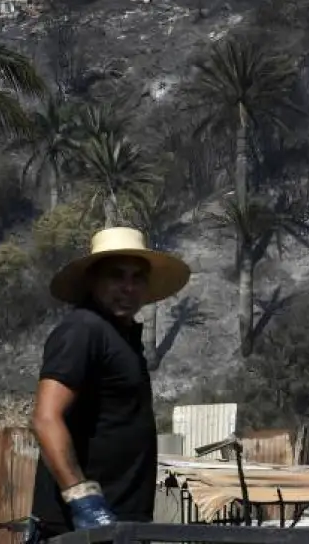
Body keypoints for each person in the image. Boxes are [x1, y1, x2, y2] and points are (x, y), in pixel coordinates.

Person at [29, 227, 191, 538]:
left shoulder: (124, 339)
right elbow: (45, 419)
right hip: (80, 528)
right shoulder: (83, 330)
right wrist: (84, 500)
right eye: (116, 276)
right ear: (94, 281)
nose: (127, 287)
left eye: (137, 277)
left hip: (122, 522)